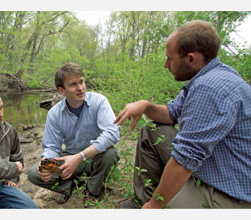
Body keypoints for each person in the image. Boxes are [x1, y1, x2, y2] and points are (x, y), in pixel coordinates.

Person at [114, 20, 251, 209]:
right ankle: (142, 201)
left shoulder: (209, 88)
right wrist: (145, 106)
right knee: (152, 130)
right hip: (213, 163)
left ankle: (151, 206)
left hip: (228, 192)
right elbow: (171, 113)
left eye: (170, 58)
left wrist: (155, 205)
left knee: (168, 204)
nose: (165, 64)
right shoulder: (210, 75)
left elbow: (186, 158)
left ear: (191, 58)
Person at [28, 62, 120, 205]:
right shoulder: (54, 113)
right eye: (73, 84)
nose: (80, 88)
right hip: (69, 159)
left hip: (95, 157)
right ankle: (67, 186)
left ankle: (92, 189)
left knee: (111, 154)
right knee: (34, 173)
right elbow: (52, 147)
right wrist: (47, 165)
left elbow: (112, 133)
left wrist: (80, 157)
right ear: (61, 90)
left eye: (81, 82)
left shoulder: (99, 101)